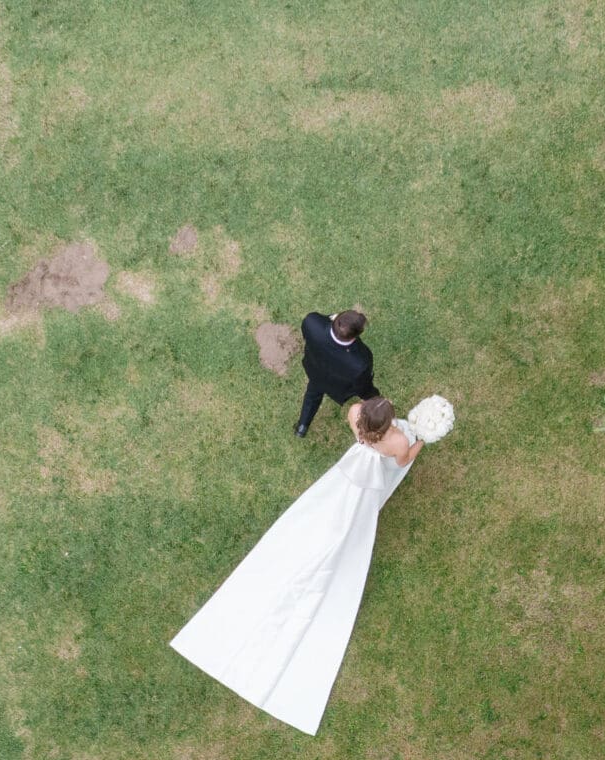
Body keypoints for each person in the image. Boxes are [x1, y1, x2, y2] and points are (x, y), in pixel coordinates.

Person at [172, 395, 456, 734]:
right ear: (386, 425)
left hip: (347, 476)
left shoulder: (354, 416)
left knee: (322, 512)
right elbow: (401, 461)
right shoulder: (396, 441)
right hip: (368, 484)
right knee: (357, 516)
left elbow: (359, 414)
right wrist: (421, 441)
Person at [294, 307, 377, 437]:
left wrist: (331, 317)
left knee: (312, 394)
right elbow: (363, 387)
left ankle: (302, 426)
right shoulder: (361, 361)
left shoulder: (312, 323)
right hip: (336, 386)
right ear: (355, 336)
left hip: (316, 371)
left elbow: (309, 330)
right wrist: (375, 398)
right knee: (314, 392)